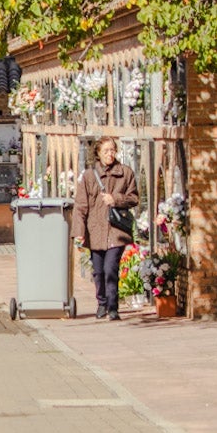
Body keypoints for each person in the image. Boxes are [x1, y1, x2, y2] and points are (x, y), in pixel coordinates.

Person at [72, 136, 138, 321]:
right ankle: (101, 302)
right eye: (106, 151)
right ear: (98, 154)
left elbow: (134, 198)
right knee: (98, 271)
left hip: (117, 230)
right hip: (95, 230)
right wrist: (79, 232)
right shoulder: (88, 176)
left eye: (113, 150)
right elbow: (81, 206)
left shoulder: (126, 173)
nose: (110, 154)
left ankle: (113, 306)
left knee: (111, 269)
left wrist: (115, 199)